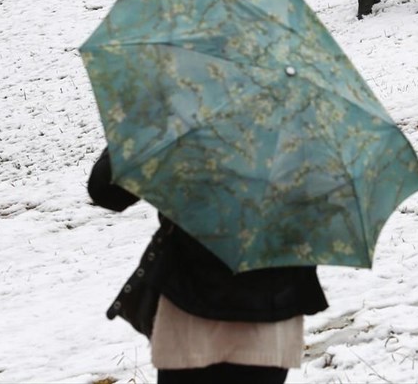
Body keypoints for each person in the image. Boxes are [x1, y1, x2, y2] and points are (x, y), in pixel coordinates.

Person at [87, 148, 328, 384]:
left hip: (192, 308)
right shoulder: (309, 119)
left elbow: (107, 190)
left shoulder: (182, 114)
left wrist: (140, 124)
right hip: (274, 305)